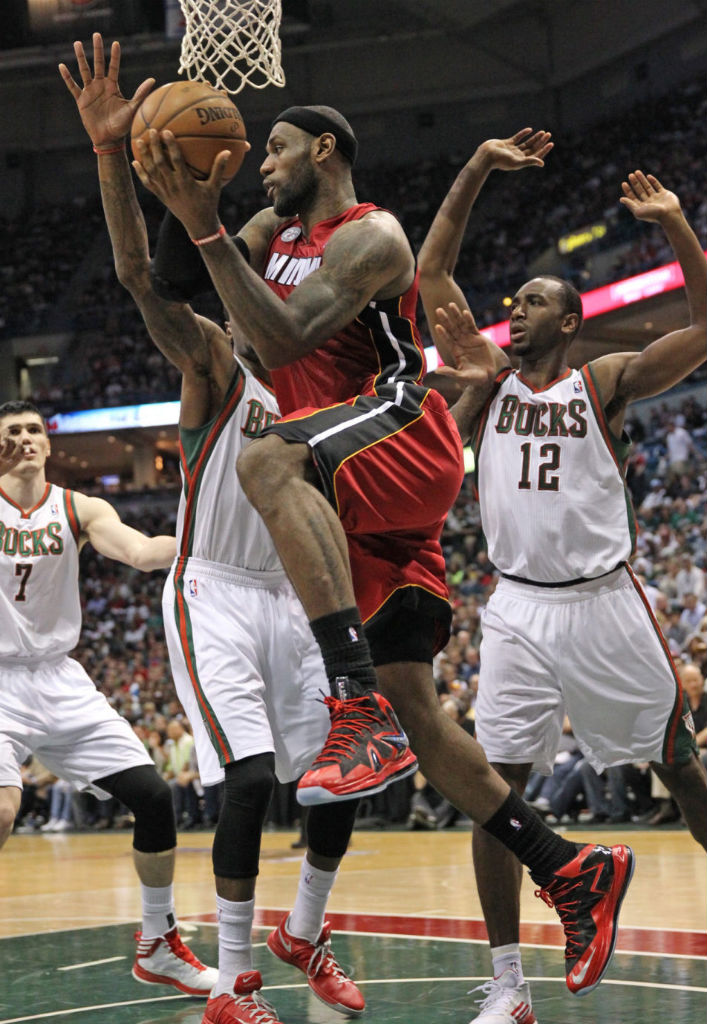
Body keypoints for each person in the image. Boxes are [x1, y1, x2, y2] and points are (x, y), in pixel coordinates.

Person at [124, 52, 635, 1006]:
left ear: (324, 150)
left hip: (401, 431)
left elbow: (278, 342)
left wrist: (208, 227)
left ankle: (349, 702)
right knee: (421, 714)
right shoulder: (268, 225)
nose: (263, 165)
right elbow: (167, 278)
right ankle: (567, 866)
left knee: (265, 454)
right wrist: (171, 184)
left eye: (274, 151)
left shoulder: (371, 236)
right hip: (353, 492)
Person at [61, 34, 365, 1024]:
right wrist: (114, 157)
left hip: (303, 595)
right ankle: (233, 985)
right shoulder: (217, 361)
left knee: (341, 775)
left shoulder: (327, 378)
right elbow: (139, 280)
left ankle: (305, 931)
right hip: (216, 590)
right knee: (247, 776)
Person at [418, 134, 707, 1023]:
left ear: (570, 321)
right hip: (513, 609)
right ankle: (507, 986)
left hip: (603, 599)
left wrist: (677, 230)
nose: (516, 309)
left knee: (681, 765)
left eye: (535, 301)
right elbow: (432, 277)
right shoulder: (487, 379)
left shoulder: (603, 382)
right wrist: (474, 168)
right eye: (515, 299)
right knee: (490, 789)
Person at [0, 398, 217, 997]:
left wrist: (204, 535)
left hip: (59, 677)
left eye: (32, 430)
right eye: (11, 431)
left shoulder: (79, 506)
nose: (24, 438)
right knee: (2, 812)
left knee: (152, 796)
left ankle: (157, 943)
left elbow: (142, 553)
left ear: (47, 444)